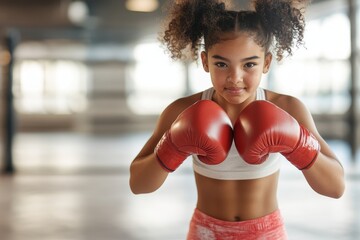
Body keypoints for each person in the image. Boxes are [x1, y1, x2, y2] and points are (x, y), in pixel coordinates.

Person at [129, 0, 345, 239]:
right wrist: (171, 145)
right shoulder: (181, 111)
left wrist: (298, 143)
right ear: (204, 61)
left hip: (267, 234)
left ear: (267, 63)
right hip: (205, 233)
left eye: (249, 64)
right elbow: (138, 184)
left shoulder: (288, 108)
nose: (235, 78)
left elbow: (335, 187)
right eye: (221, 64)